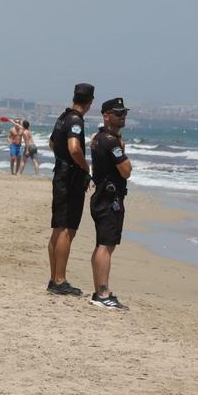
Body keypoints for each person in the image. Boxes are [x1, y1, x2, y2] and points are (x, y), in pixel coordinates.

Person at [46, 83, 94, 296]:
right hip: (70, 178)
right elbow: (75, 148)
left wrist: (63, 158)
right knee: (67, 229)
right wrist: (85, 166)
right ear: (90, 101)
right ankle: (59, 279)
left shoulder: (62, 118)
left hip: (60, 175)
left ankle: (54, 277)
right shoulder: (76, 120)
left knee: (58, 228)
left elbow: (52, 143)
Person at [89, 97, 132, 310]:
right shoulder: (111, 141)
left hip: (101, 196)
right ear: (106, 115)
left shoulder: (98, 138)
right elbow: (126, 170)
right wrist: (122, 152)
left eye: (124, 112)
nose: (122, 116)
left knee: (101, 246)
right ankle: (103, 293)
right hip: (109, 199)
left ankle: (100, 291)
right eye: (117, 113)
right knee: (106, 246)